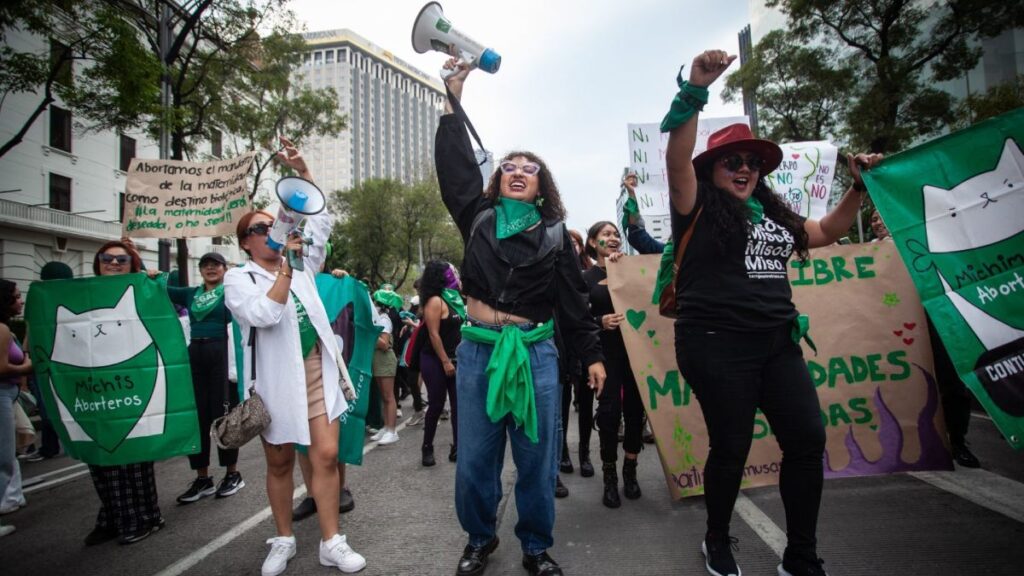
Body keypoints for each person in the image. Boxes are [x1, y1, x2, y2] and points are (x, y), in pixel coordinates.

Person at [663, 49, 883, 576]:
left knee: (806, 439)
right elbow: (675, 157)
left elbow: (827, 232)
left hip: (776, 344)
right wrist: (695, 89)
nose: (744, 169)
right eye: (732, 161)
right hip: (715, 343)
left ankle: (801, 555)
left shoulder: (776, 217)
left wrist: (857, 186)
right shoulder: (692, 205)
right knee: (732, 447)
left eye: (752, 163)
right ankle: (717, 540)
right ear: (711, 169)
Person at [437, 58, 606, 576]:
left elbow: (576, 303)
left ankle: (535, 545)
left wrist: (594, 357)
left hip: (536, 355)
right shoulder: (478, 217)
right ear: (498, 180)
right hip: (479, 352)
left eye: (529, 169)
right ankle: (479, 538)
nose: (517, 171)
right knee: (475, 461)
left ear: (541, 186)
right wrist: (453, 99)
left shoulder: (557, 236)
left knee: (536, 460)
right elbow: (455, 169)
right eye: (509, 165)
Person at [223, 137, 365, 576]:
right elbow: (264, 313)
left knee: (325, 456)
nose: (270, 233)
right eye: (259, 230)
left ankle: (331, 542)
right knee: (280, 460)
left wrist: (305, 174)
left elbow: (318, 221)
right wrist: (286, 266)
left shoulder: (304, 263)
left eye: (273, 225)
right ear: (245, 243)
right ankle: (283, 539)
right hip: (274, 380)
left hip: (317, 371)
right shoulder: (237, 278)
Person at [872, 210, 980, 466]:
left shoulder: (920, 242)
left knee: (951, 381)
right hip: (896, 326)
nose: (877, 222)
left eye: (881, 216)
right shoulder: (867, 253)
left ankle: (957, 441)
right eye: (873, 218)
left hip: (936, 321)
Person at [83, 241, 165, 545]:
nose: (114, 263)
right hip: (94, 390)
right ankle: (112, 517)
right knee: (101, 455)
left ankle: (144, 516)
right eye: (108, 258)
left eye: (122, 259)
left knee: (134, 455)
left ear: (132, 266)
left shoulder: (143, 291)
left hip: (134, 386)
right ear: (98, 263)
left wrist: (151, 280)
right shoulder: (83, 294)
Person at [156, 252, 245, 503]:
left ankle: (232, 473)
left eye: (215, 264)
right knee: (197, 419)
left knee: (224, 417)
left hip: (222, 353)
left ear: (224, 268)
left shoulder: (231, 291)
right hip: (195, 354)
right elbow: (161, 287)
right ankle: (203, 478)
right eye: (205, 265)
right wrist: (149, 273)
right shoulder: (190, 294)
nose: (210, 268)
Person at [583, 221, 645, 508]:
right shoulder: (585, 278)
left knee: (635, 413)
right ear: (593, 242)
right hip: (605, 357)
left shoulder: (629, 269)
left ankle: (630, 470)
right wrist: (600, 321)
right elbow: (577, 320)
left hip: (637, 355)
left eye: (616, 234)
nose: (613, 238)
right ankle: (610, 477)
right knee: (608, 415)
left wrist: (625, 268)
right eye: (606, 234)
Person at [558, 230, 596, 481]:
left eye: (576, 243)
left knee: (586, 403)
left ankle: (585, 453)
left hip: (584, 344)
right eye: (568, 243)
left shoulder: (591, 273)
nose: (573, 246)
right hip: (561, 344)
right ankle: (562, 452)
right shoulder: (557, 272)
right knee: (560, 403)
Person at [418, 260, 463, 467]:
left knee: (458, 406)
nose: (453, 273)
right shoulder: (435, 301)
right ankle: (427, 447)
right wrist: (445, 361)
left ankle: (458, 447)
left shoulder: (454, 298)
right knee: (436, 404)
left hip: (456, 359)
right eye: (449, 271)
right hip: (435, 360)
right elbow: (434, 335)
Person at [1, 279, 31, 528]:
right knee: (4, 457)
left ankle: (12, 496)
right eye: (17, 295)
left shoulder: (6, 328)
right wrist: (29, 366)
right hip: (2, 393)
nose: (20, 300)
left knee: (9, 454)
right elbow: (2, 367)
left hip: (8, 393)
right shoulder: (1, 329)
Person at [369, 289, 400, 446]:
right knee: (383, 396)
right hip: (377, 360)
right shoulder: (376, 319)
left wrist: (370, 333)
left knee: (389, 396)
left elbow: (384, 344)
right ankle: (385, 427)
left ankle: (392, 430)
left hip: (385, 359)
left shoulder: (383, 319)